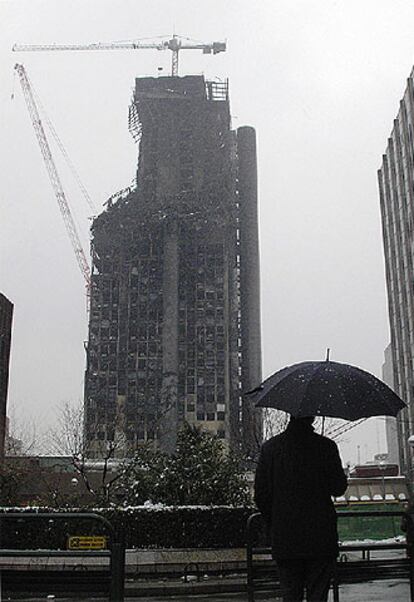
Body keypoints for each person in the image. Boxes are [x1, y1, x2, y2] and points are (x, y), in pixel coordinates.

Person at [254, 416, 348, 602]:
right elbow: (338, 488)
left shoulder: (271, 449)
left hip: (286, 537)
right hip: (320, 537)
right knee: (318, 595)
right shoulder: (325, 447)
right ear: (312, 417)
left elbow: (261, 496)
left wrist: (276, 520)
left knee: (290, 594)